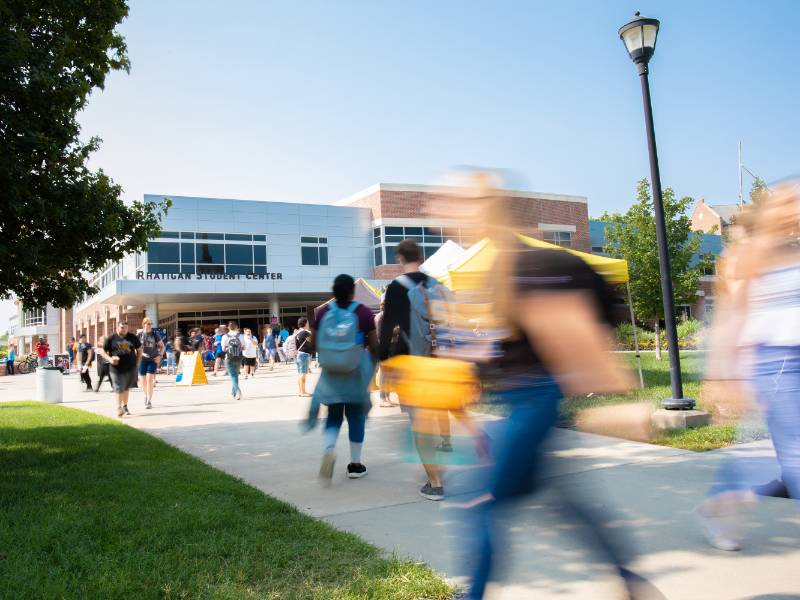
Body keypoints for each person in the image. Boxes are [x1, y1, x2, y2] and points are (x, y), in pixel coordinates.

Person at [697, 182, 800, 550]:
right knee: (793, 453)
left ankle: (720, 503)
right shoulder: (749, 255)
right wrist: (724, 374)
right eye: (789, 202)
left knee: (760, 454)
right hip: (776, 361)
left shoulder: (795, 250)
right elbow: (731, 316)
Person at [379, 239, 451, 499]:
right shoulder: (438, 285)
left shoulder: (397, 287)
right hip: (441, 364)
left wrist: (383, 360)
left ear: (400, 257)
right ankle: (437, 467)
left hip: (413, 363)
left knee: (420, 424)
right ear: (420, 257)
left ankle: (435, 482)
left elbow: (387, 329)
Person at [309, 274, 378, 482]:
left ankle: (329, 450)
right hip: (355, 373)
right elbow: (375, 345)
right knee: (356, 417)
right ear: (352, 290)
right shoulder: (363, 312)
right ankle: (355, 465)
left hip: (331, 374)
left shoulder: (323, 313)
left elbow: (313, 345)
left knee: (333, 416)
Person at [100, 321, 142, 417]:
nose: (124, 329)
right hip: (115, 367)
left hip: (130, 367)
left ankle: (125, 406)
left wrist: (137, 363)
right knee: (119, 387)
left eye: (126, 328)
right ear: (117, 328)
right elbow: (102, 351)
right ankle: (119, 408)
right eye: (122, 327)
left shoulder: (133, 337)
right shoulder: (111, 338)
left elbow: (139, 350)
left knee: (126, 388)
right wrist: (110, 359)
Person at [137, 317, 164, 409]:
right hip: (141, 360)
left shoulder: (155, 335)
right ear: (143, 324)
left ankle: (149, 401)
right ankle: (146, 395)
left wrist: (160, 356)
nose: (148, 325)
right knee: (142, 381)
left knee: (149, 380)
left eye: (150, 324)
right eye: (147, 323)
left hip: (152, 360)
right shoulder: (139, 335)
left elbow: (162, 346)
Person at [373, 298, 393, 407]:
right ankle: (382, 399)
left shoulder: (383, 316)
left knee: (387, 374)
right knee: (384, 374)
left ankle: (387, 398)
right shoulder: (381, 317)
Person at [221, 321, 245, 400]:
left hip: (229, 358)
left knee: (233, 376)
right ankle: (234, 393)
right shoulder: (241, 335)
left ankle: (238, 391)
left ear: (228, 327)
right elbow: (244, 347)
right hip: (238, 357)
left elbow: (223, 349)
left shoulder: (225, 336)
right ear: (237, 327)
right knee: (235, 375)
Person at [295, 317, 313, 396]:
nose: (308, 324)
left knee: (300, 374)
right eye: (308, 323)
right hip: (304, 355)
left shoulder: (297, 333)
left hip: (299, 355)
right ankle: (303, 392)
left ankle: (301, 391)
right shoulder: (305, 333)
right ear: (305, 323)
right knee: (303, 374)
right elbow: (312, 340)